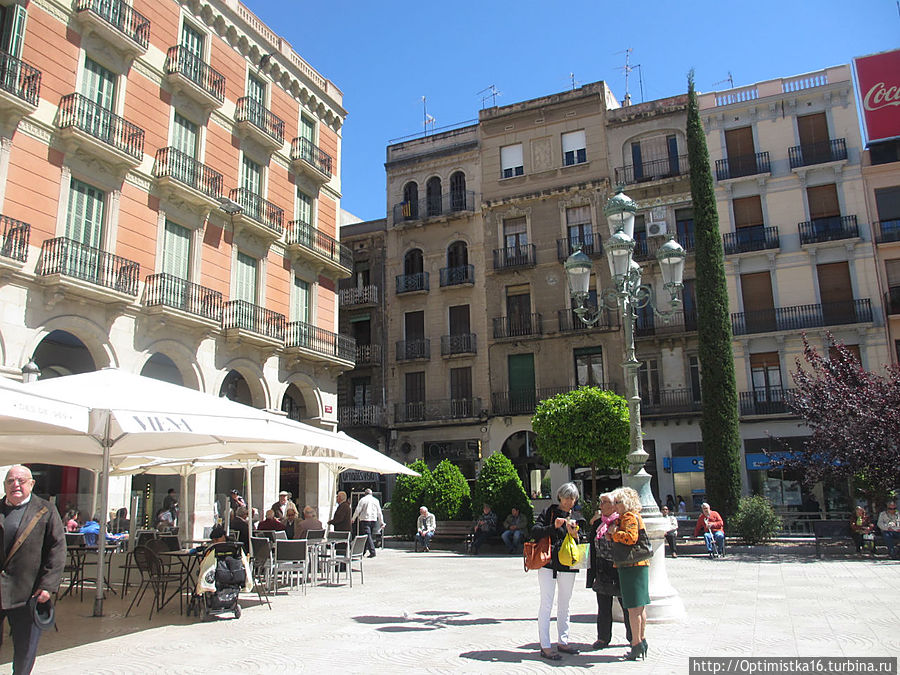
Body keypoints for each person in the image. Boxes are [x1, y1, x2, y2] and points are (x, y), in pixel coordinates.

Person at [0, 465, 66, 674]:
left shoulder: (45, 510)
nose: (15, 485)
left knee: (25, 647)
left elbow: (57, 549)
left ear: (32, 484)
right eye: (10, 481)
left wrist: (47, 585)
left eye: (20, 480)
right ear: (4, 486)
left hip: (28, 592)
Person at [530, 482, 586, 660]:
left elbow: (583, 541)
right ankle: (545, 645)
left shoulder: (577, 516)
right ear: (559, 497)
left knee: (565, 603)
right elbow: (535, 531)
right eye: (566, 497)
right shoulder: (549, 513)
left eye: (572, 498)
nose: (569, 501)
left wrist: (576, 534)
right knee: (546, 603)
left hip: (568, 565)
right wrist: (553, 527)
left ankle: (563, 640)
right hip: (548, 564)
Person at [586, 492, 631, 650]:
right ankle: (603, 638)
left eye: (605, 502)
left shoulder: (622, 521)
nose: (601, 505)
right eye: (600, 501)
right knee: (603, 606)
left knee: (626, 605)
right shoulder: (598, 522)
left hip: (618, 569)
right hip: (602, 569)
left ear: (614, 505)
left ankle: (633, 637)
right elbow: (592, 547)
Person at [611, 487, 650, 661]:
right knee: (640, 606)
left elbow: (630, 538)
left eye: (617, 502)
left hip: (631, 565)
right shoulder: (635, 515)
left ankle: (635, 644)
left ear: (625, 503)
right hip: (640, 565)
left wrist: (614, 533)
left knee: (633, 608)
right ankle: (641, 641)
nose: (615, 506)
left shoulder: (628, 516)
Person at [352, 488, 384, 558]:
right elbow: (379, 512)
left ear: (365, 493)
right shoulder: (376, 500)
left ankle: (372, 552)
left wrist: (353, 518)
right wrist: (381, 521)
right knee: (368, 536)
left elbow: (358, 510)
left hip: (365, 519)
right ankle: (363, 551)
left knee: (367, 535)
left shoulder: (363, 500)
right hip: (373, 520)